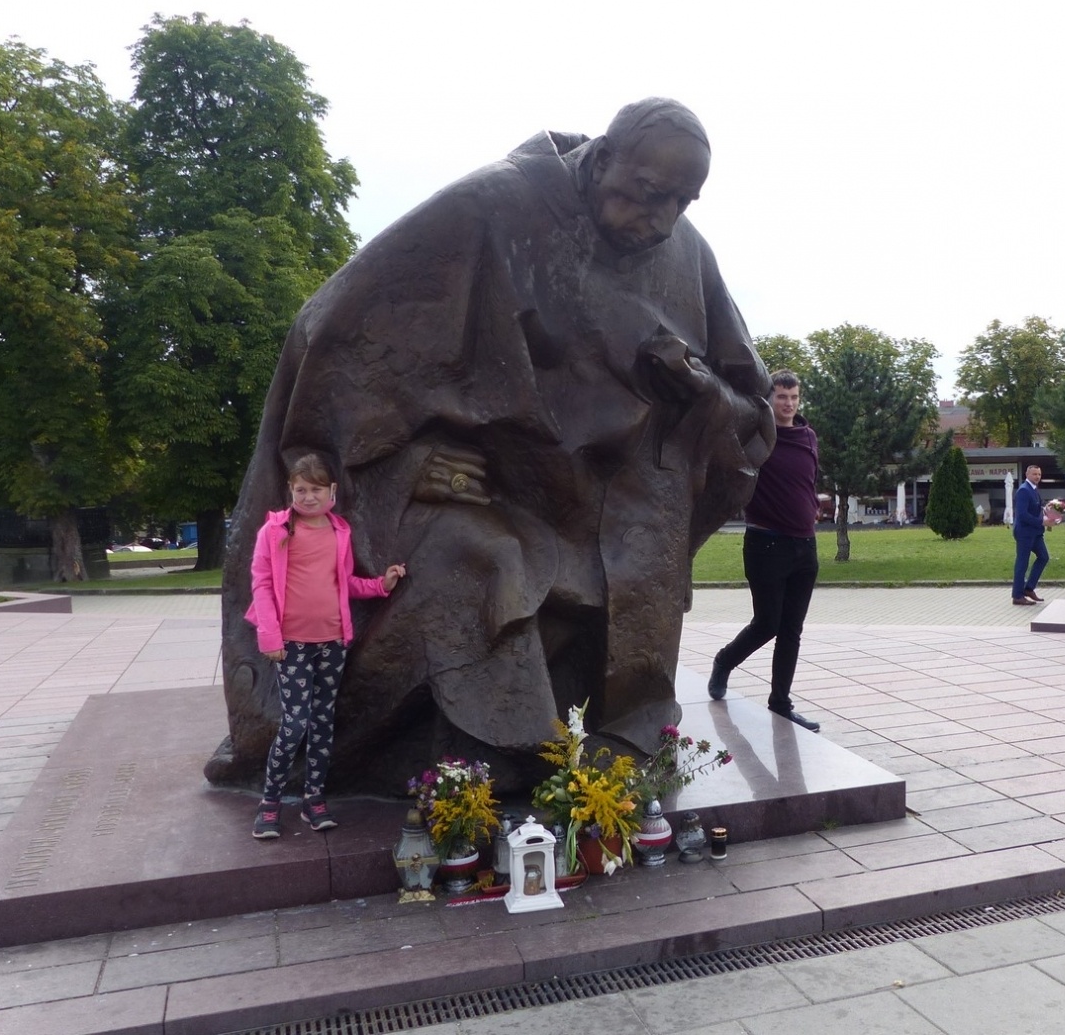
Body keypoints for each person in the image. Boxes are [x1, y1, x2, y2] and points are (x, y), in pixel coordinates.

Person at [211, 99, 773, 793]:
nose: (660, 219)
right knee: (483, 560)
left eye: (682, 202)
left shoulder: (684, 253)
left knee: (645, 546)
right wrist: (407, 467)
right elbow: (329, 341)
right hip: (479, 490)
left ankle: (615, 745)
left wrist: (700, 390)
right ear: (601, 161)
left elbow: (750, 407)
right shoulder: (492, 207)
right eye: (648, 195)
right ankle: (480, 757)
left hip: (608, 504)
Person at [245, 453, 406, 839]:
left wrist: (380, 586)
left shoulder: (340, 532)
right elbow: (262, 584)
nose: (309, 496)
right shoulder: (275, 531)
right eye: (301, 489)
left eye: (316, 489)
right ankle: (269, 805)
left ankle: (313, 801)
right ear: (291, 491)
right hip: (291, 644)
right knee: (295, 723)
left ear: (331, 491)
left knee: (321, 724)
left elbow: (345, 581)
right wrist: (269, 636)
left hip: (333, 642)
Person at [707, 371, 822, 731]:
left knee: (792, 630)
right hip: (766, 544)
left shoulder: (808, 437)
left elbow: (806, 481)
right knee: (768, 622)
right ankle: (725, 661)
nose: (788, 403)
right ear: (769, 399)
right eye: (781, 397)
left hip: (805, 546)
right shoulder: (757, 437)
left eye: (793, 397)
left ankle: (780, 703)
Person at [1011, 464, 1048, 606]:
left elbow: (1036, 508)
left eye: (1039, 474)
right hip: (1024, 533)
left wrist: (1049, 512)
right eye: (1034, 474)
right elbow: (1022, 515)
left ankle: (1029, 588)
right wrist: (1042, 522)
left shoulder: (1033, 489)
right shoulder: (1023, 491)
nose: (1037, 477)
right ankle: (1017, 596)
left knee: (1044, 557)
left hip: (1036, 533)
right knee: (1022, 563)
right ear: (1027, 475)